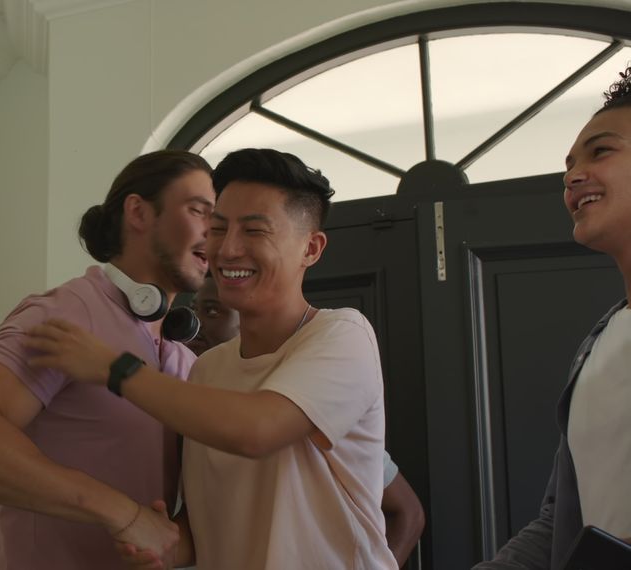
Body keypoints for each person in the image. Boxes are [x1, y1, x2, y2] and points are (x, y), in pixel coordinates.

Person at [27, 148, 398, 569]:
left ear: (311, 248)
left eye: (255, 231)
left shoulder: (343, 335)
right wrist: (163, 545)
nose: (227, 249)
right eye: (218, 228)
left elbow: (256, 430)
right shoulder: (207, 370)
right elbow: (207, 524)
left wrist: (115, 369)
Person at [0, 150, 216, 569]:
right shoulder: (67, 313)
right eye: (198, 211)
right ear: (138, 212)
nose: (213, 233)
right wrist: (121, 513)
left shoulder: (182, 359)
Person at [474, 66, 631, 570]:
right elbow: (560, 519)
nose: (572, 175)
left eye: (601, 152)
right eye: (569, 164)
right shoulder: (599, 343)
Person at [187, 274, 425, 567]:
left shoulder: (309, 389)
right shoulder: (198, 381)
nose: (194, 326)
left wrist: (123, 371)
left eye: (212, 311)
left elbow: (408, 511)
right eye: (194, 310)